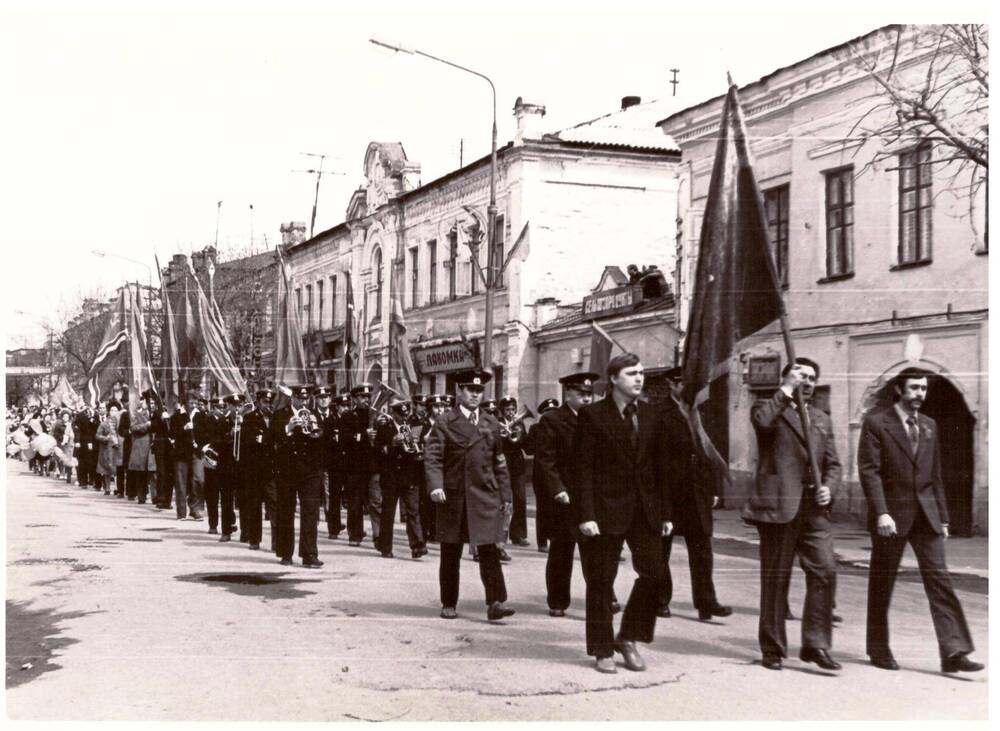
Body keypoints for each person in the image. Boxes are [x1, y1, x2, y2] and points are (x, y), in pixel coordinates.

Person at [858, 367, 983, 674]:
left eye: (923, 389)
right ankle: (878, 648)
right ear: (899, 390)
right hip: (892, 516)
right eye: (914, 388)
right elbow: (869, 471)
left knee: (940, 580)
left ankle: (953, 651)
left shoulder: (929, 425)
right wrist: (882, 512)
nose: (919, 394)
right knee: (882, 581)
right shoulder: (876, 423)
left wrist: (942, 517)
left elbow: (935, 475)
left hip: (927, 515)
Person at [571, 353, 673, 674]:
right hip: (603, 510)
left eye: (642, 373)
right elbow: (582, 469)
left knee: (655, 573)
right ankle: (602, 648)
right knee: (601, 580)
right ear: (614, 378)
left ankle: (628, 637)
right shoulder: (592, 415)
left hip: (645, 510)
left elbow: (661, 468)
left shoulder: (653, 415)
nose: (639, 379)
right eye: (632, 373)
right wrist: (586, 514)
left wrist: (666, 512)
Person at [743, 358, 841, 671]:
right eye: (801, 376)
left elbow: (834, 464)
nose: (808, 382)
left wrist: (829, 487)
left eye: (812, 378)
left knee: (825, 571)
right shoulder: (767, 407)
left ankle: (816, 644)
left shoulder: (821, 417)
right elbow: (763, 423)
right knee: (776, 579)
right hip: (779, 506)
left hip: (814, 509)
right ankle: (772, 647)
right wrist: (786, 389)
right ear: (787, 378)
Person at [424, 369, 514, 621]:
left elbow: (499, 462)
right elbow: (433, 457)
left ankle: (495, 602)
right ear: (459, 392)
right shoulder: (445, 422)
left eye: (478, 391)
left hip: (484, 494)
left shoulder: (490, 422)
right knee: (451, 551)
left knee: (489, 550)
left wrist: (506, 496)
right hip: (454, 496)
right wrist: (435, 486)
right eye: (470, 390)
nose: (475, 395)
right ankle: (448, 602)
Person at [654, 367, 731, 621]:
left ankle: (707, 603)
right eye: (680, 383)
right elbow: (657, 462)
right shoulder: (659, 413)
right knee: (661, 549)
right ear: (670, 384)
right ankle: (660, 599)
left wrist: (715, 488)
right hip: (670, 491)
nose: (686, 388)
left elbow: (713, 452)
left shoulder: (701, 412)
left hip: (698, 491)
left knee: (702, 550)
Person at [534, 372, 597, 616]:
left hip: (590, 497)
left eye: (589, 394)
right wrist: (557, 489)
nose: (587, 399)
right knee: (562, 551)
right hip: (564, 497)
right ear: (567, 394)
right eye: (581, 394)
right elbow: (545, 460)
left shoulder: (596, 419)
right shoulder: (552, 420)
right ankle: (558, 602)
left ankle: (601, 598)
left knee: (594, 553)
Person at [273, 384, 325, 568]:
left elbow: (322, 441)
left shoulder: (314, 415)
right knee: (286, 511)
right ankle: (286, 553)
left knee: (310, 512)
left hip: (310, 471)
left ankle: (309, 554)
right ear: (292, 398)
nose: (304, 402)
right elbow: (273, 440)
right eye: (300, 398)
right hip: (288, 469)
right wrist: (288, 427)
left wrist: (316, 435)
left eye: (306, 399)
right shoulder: (280, 415)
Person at [375, 396, 428, 559]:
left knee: (413, 511)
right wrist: (392, 444)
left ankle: (418, 546)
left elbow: (423, 446)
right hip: (391, 476)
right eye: (401, 415)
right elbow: (378, 450)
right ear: (394, 413)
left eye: (406, 414)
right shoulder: (385, 427)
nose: (404, 418)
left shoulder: (416, 426)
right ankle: (386, 547)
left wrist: (419, 445)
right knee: (388, 512)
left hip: (410, 474)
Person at [341, 383, 381, 548]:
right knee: (355, 502)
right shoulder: (348, 416)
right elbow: (344, 438)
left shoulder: (376, 415)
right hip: (355, 466)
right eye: (363, 397)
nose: (367, 400)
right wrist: (363, 435)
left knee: (376, 501)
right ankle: (355, 534)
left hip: (373, 466)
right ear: (355, 399)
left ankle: (379, 536)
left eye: (368, 397)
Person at [239, 388, 276, 551]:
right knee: (254, 506)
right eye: (264, 402)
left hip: (272, 470)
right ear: (259, 402)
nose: (267, 405)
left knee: (275, 505)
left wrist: (263, 440)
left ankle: (277, 541)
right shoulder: (249, 418)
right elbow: (248, 443)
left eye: (270, 402)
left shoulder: (276, 418)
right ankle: (254, 539)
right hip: (254, 470)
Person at [499, 396, 530, 547]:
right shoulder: (497, 424)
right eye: (507, 410)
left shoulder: (519, 424)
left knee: (520, 499)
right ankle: (500, 535)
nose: (511, 413)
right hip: (503, 465)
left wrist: (521, 435)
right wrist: (503, 435)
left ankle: (518, 535)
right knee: (504, 500)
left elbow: (526, 446)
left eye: (513, 409)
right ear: (502, 411)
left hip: (518, 466)